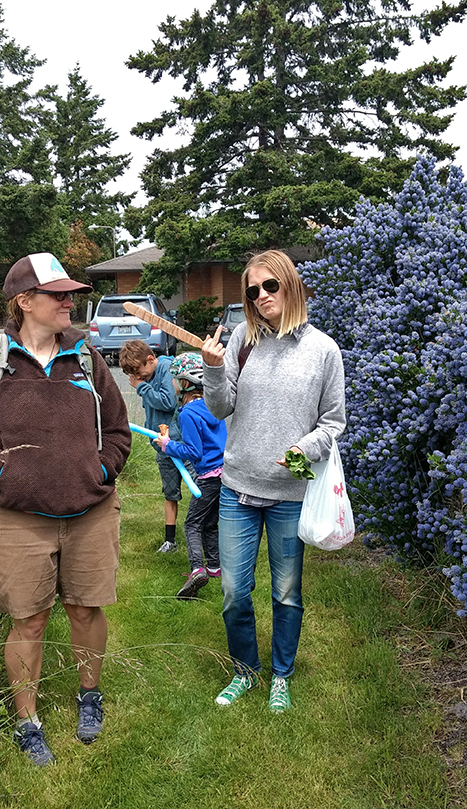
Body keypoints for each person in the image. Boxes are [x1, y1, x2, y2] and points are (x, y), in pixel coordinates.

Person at [0, 252, 131, 766]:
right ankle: (27, 722)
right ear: (24, 301)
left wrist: (100, 471)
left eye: (71, 293)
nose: (69, 301)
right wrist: (11, 481)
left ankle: (88, 695)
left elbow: (118, 430)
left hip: (91, 513)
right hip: (16, 521)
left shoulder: (87, 358)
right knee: (28, 622)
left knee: (86, 608)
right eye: (58, 294)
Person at [201, 249, 346, 713]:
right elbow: (221, 408)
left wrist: (304, 450)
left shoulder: (323, 349)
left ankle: (281, 674)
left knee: (286, 592)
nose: (261, 296)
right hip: (237, 488)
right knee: (232, 592)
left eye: (269, 286)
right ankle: (246, 670)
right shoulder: (243, 339)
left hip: (290, 493)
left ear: (290, 284)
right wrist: (211, 367)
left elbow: (333, 423)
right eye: (252, 290)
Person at [154, 352, 227, 599]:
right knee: (209, 522)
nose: (171, 383)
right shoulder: (212, 404)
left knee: (192, 523)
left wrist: (167, 445)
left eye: (174, 379)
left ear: (185, 382)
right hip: (224, 475)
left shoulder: (187, 413)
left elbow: (193, 451)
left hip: (207, 477)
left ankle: (197, 569)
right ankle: (216, 568)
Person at [119, 340, 184, 553]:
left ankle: (204, 532)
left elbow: (168, 402)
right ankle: (170, 540)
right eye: (135, 376)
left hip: (179, 443)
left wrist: (142, 388)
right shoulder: (147, 377)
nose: (139, 378)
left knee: (200, 488)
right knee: (169, 492)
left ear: (150, 359)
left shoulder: (166, 368)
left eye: (140, 372)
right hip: (162, 447)